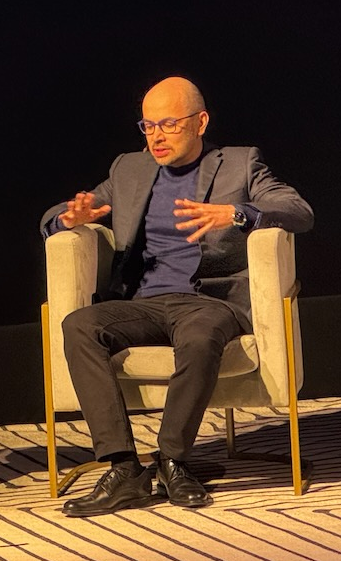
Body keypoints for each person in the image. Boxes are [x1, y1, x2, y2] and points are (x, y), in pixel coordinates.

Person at [40, 76, 313, 516]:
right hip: (143, 302)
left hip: (212, 301)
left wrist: (238, 213)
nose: (157, 136)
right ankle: (125, 469)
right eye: (148, 126)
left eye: (168, 123)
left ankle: (172, 460)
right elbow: (56, 214)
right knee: (79, 325)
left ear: (200, 121)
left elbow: (299, 211)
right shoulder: (129, 169)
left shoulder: (240, 164)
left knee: (201, 336)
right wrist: (70, 220)